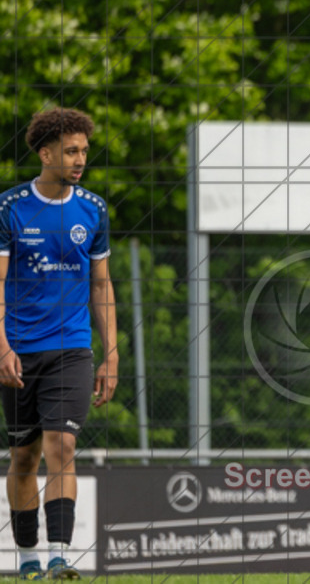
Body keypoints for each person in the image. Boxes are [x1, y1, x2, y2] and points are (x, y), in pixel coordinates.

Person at [0, 107, 119, 580]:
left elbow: (101, 284)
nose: (80, 159)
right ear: (45, 154)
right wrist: (2, 347)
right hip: (18, 349)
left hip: (72, 347)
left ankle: (59, 557)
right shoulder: (10, 208)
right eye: (71, 151)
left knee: (62, 444)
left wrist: (111, 354)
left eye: (84, 151)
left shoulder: (93, 209)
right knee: (24, 456)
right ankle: (28, 558)